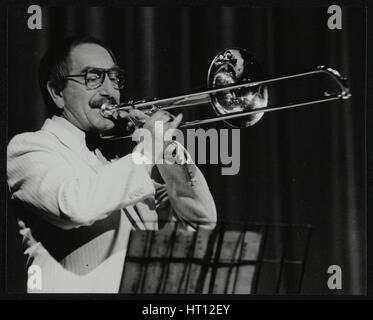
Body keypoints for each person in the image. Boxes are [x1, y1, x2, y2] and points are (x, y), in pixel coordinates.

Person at [7, 36, 217, 293]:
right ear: (57, 92)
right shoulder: (28, 148)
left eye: (114, 78)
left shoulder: (118, 166)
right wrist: (148, 150)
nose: (110, 91)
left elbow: (199, 222)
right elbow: (74, 206)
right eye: (93, 78)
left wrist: (165, 149)